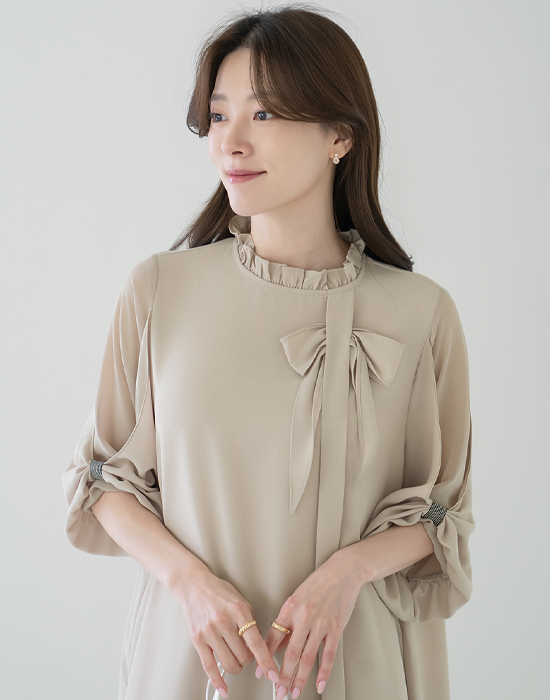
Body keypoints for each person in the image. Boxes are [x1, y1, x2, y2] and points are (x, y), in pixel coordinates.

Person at [62, 5, 475, 700]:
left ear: (340, 134)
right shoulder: (161, 290)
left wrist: (348, 572)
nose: (231, 142)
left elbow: (444, 515)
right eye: (219, 115)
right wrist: (189, 583)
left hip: (354, 659)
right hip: (197, 658)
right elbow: (100, 481)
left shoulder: (421, 313)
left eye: (265, 113)